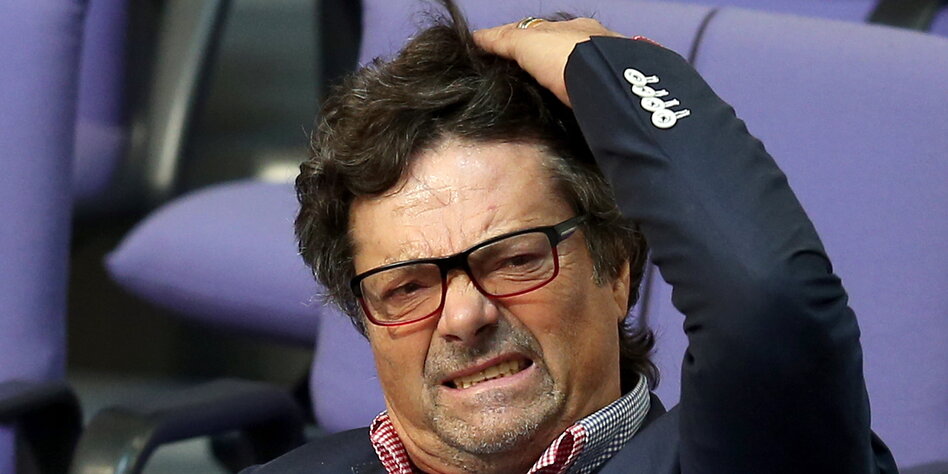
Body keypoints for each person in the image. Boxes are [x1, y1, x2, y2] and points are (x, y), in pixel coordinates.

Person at [245, 1, 896, 472]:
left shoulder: (746, 453)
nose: (463, 318)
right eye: (407, 287)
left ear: (617, 269)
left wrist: (615, 75)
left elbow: (770, 306)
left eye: (515, 259)